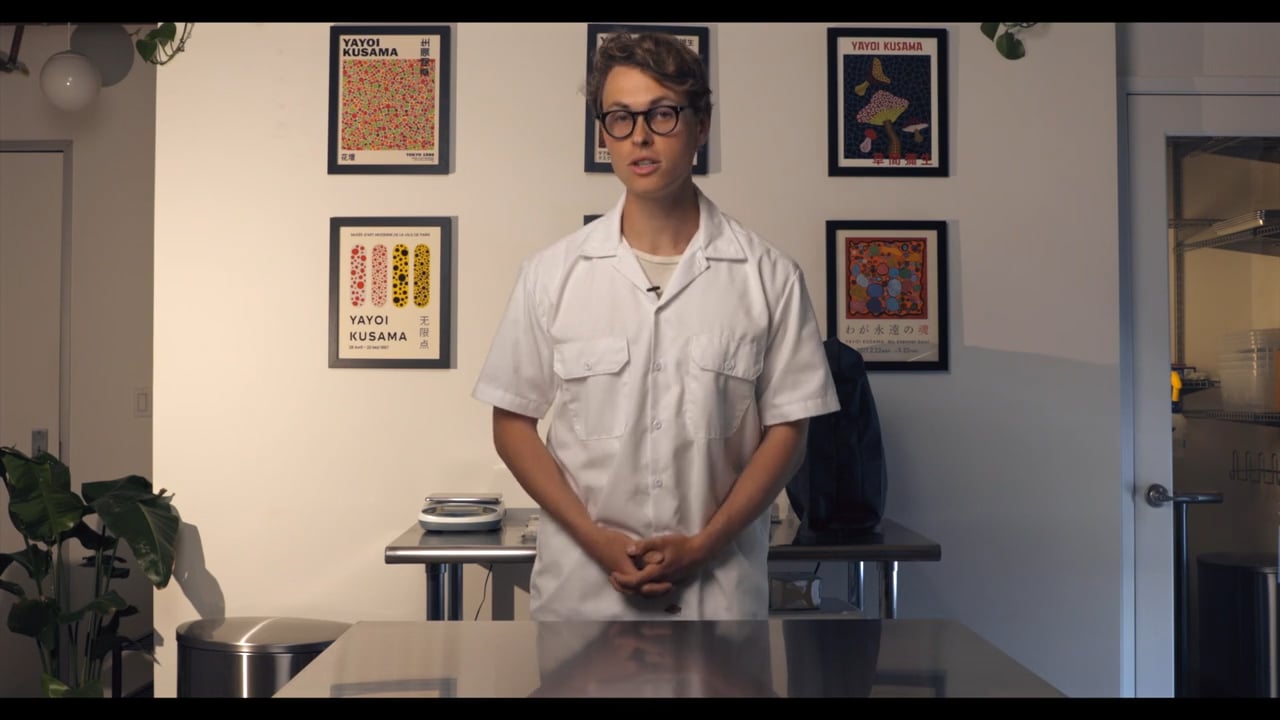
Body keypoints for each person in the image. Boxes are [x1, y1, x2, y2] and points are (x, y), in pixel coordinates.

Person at [472, 30, 839, 621]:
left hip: (716, 600)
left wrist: (704, 547)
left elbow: (788, 432)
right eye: (620, 117)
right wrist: (598, 543)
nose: (640, 135)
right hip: (582, 602)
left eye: (662, 114)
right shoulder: (552, 275)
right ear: (602, 134)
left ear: (702, 125)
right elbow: (512, 422)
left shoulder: (769, 276)